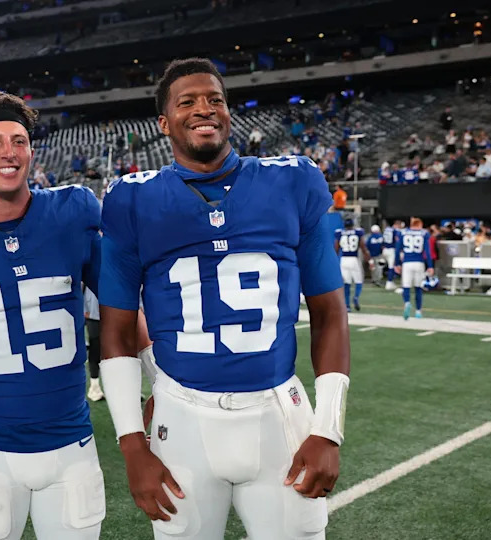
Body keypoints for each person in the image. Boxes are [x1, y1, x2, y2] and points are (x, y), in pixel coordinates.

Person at [98, 58, 350, 540]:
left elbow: (329, 312)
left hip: (278, 413)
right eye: (187, 101)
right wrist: (132, 446)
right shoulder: (133, 198)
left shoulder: (293, 180)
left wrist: (328, 428)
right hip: (181, 416)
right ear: (163, 122)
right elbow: (116, 330)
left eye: (215, 99)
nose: (204, 109)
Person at [0, 89, 149, 540]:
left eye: (19, 140)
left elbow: (122, 307)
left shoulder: (72, 211)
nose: (9, 152)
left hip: (71, 441)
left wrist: (160, 380)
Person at [394, 217, 433, 320]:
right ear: (420, 224)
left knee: (406, 286)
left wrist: (396, 263)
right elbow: (427, 252)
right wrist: (430, 266)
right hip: (419, 262)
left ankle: (407, 303)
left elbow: (397, 250)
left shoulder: (403, 233)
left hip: (407, 262)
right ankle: (418, 311)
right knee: (418, 288)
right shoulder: (424, 233)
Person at [335, 218, 369, 312]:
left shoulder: (340, 233)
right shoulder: (358, 232)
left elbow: (336, 249)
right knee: (359, 281)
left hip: (344, 260)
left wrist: (334, 262)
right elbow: (363, 246)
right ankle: (356, 297)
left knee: (346, 283)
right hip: (354, 259)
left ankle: (347, 306)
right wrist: (369, 260)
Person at [382, 220, 402, 290]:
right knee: (392, 267)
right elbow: (397, 240)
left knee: (390, 266)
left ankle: (390, 282)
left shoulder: (386, 229)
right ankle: (389, 282)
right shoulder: (395, 231)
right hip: (391, 250)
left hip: (385, 249)